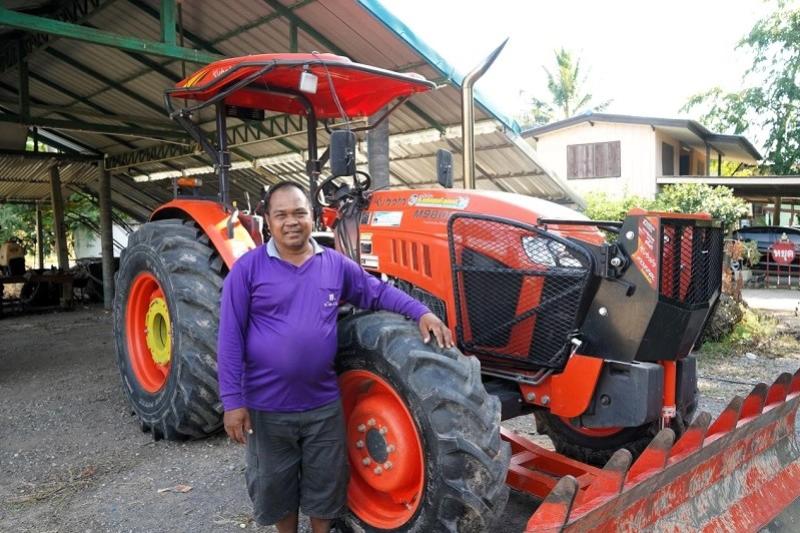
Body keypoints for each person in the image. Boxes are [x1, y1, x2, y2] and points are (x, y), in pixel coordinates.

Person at [217, 181, 453, 533]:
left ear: (313, 217)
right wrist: (233, 402)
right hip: (267, 406)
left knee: (325, 483)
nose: (291, 221)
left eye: (299, 213)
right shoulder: (248, 270)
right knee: (275, 484)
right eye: (281, 214)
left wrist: (421, 312)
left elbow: (376, 293)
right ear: (268, 220)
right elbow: (229, 337)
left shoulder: (334, 265)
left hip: (322, 404)